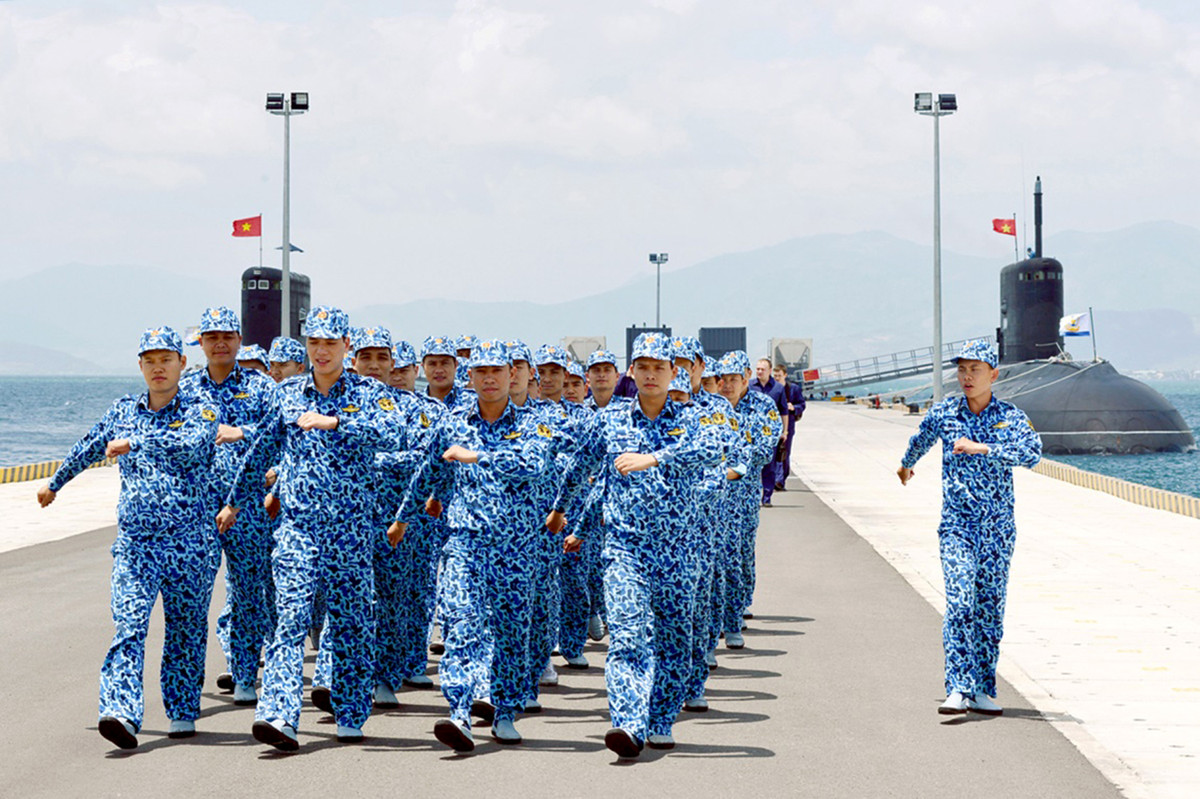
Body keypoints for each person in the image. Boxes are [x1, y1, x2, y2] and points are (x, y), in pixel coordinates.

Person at [217, 305, 406, 750]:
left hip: (350, 530)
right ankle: (279, 715)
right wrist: (235, 502)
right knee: (291, 618)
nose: (321, 351)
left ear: (346, 346)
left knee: (351, 622)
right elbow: (261, 450)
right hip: (298, 529)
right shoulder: (288, 394)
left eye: (330, 343)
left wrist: (336, 422)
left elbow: (394, 431)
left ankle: (351, 711)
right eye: (314, 342)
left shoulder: (367, 393)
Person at [38, 327, 221, 748]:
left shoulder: (202, 409)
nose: (158, 368)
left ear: (182, 363)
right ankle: (119, 711)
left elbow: (189, 444)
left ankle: (181, 709)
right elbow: (90, 444)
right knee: (129, 624)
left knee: (186, 629)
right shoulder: (123, 410)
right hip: (137, 545)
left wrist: (134, 442)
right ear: (140, 366)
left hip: (191, 543)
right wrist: (56, 482)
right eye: (150, 361)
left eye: (166, 359)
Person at [549, 332, 720, 757]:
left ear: (673, 372)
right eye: (642, 367)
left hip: (678, 550)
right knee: (627, 635)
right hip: (626, 549)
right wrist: (560, 509)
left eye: (659, 367)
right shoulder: (612, 420)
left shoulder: (691, 419)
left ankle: (660, 718)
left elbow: (713, 448)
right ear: (631, 371)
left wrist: (656, 457)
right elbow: (582, 467)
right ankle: (627, 722)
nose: (650, 375)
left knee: (674, 638)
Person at [388, 339, 555, 751]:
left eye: (497, 371)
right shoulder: (453, 423)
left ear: (511, 375)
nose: (489, 379)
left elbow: (533, 464)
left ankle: (505, 711)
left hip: (517, 546)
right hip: (465, 541)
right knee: (462, 624)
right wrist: (402, 518)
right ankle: (459, 711)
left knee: (511, 631)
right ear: (471, 376)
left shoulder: (533, 422)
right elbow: (429, 472)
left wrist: (478, 456)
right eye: (481, 372)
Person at [897, 339, 1041, 716]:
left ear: (993, 375)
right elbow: (921, 438)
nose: (967, 377)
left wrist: (984, 448)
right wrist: (906, 464)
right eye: (962, 369)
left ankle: (981, 688)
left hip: (997, 530)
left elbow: (1033, 453)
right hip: (957, 526)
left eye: (975, 369)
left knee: (989, 609)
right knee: (961, 603)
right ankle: (958, 687)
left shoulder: (1010, 417)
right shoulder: (946, 413)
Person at [181, 306, 277, 706]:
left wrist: (242, 431)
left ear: (239, 340)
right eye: (212, 337)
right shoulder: (185, 389)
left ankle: (245, 674)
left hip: (248, 506)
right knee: (191, 597)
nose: (220, 343)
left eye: (227, 336)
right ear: (201, 343)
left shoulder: (261, 387)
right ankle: (186, 688)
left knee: (249, 593)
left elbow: (280, 432)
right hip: (197, 508)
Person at [748, 358, 788, 507]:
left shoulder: (778, 388)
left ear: (770, 371)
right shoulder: (749, 386)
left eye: (762, 369)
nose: (759, 371)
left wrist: (785, 431)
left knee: (769, 466)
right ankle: (752, 497)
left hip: (771, 434)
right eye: (757, 369)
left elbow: (783, 411)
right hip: (752, 433)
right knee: (752, 465)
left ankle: (767, 497)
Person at [771, 364, 806, 491]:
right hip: (772, 424)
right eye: (775, 376)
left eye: (779, 376)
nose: (777, 378)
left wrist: (793, 407)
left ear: (785, 375)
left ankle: (780, 480)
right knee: (772, 453)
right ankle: (773, 479)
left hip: (788, 425)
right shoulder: (771, 388)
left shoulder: (793, 389)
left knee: (784, 452)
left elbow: (802, 404)